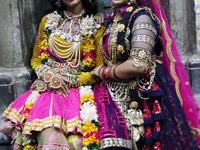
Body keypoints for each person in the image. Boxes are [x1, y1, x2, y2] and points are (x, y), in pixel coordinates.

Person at [91, 0, 200, 149]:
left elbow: (138, 64)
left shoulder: (142, 17)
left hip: (138, 97)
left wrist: (103, 72)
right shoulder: (112, 20)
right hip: (109, 95)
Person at [0, 0, 105, 149]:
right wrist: (48, 76)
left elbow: (97, 70)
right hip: (47, 88)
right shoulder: (48, 20)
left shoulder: (96, 25)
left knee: (78, 142)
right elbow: (36, 58)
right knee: (46, 134)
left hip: (76, 89)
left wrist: (69, 80)